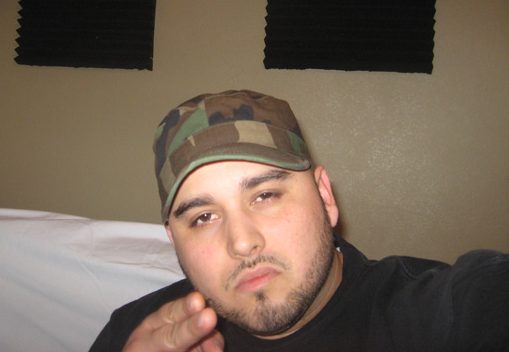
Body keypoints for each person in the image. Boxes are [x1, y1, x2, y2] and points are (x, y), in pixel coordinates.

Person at [90, 89, 509, 352]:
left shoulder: (441, 316)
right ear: (173, 239)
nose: (242, 242)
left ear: (325, 197)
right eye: (203, 217)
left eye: (265, 196)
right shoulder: (133, 336)